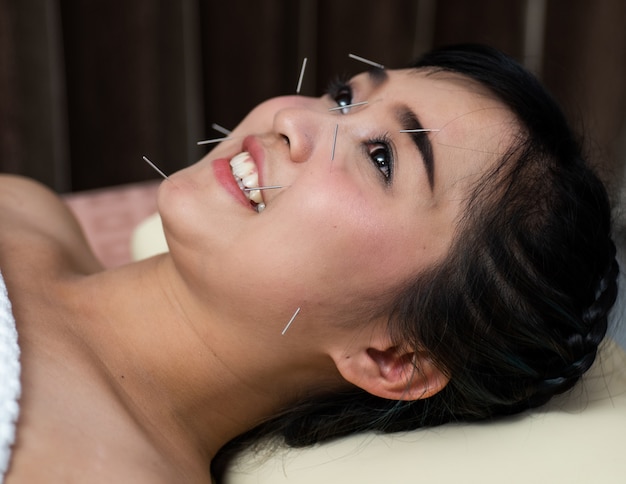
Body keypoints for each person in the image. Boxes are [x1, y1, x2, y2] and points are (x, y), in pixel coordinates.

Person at [0, 44, 618, 483]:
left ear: (394, 357)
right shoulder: (27, 212)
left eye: (381, 158)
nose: (292, 118)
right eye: (344, 98)